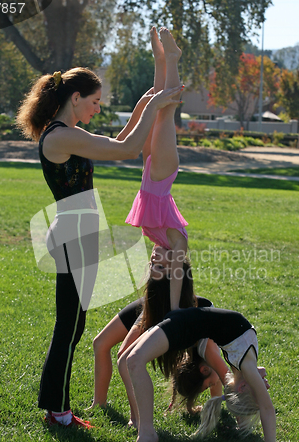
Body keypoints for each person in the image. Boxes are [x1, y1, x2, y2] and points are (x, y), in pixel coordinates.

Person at [16, 66, 182, 428]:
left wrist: (142, 107)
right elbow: (126, 149)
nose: (98, 108)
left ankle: (55, 405)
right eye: (94, 101)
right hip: (72, 239)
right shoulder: (60, 137)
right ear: (74, 98)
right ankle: (57, 412)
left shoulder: (68, 133)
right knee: (69, 327)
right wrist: (154, 105)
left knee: (72, 326)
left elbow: (117, 142)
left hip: (78, 237)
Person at [118, 306, 276, 442]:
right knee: (127, 360)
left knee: (131, 361)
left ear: (242, 387)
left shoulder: (244, 367)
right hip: (183, 321)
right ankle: (146, 431)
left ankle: (146, 432)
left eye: (259, 392)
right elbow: (266, 407)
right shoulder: (246, 366)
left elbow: (261, 401)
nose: (265, 388)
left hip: (184, 325)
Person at [125, 27, 188, 312]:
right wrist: (174, 308)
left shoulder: (155, 238)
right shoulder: (178, 249)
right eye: (159, 268)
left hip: (150, 171)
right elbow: (177, 278)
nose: (154, 262)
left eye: (152, 266)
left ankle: (160, 61)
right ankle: (173, 58)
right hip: (162, 175)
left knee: (156, 104)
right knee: (165, 111)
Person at [91, 292, 217, 426]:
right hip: (163, 301)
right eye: (209, 385)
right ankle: (102, 404)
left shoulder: (199, 359)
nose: (214, 383)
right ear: (204, 369)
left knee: (125, 358)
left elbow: (208, 377)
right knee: (104, 345)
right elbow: (218, 376)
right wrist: (216, 407)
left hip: (167, 306)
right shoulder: (209, 345)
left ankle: (136, 420)